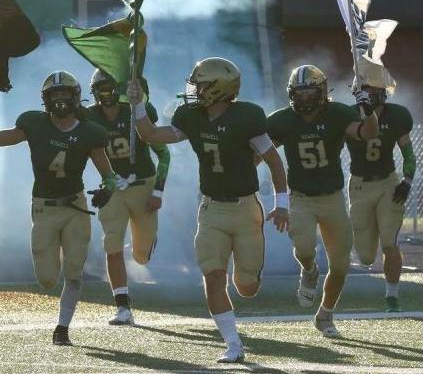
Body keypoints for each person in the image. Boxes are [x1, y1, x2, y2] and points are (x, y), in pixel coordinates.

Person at [127, 57, 289, 363]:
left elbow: (273, 160)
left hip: (245, 209)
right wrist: (137, 105)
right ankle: (233, 343)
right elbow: (150, 135)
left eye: (200, 85)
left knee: (247, 287)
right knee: (213, 275)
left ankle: (245, 286)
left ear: (218, 89)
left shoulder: (247, 116)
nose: (194, 90)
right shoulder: (191, 116)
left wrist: (282, 204)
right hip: (211, 208)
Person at [0, 71, 115, 345]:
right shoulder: (33, 123)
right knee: (48, 279)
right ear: (45, 100)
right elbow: (7, 138)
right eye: (55, 96)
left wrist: (107, 189)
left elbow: (108, 173)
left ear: (76, 98)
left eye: (65, 95)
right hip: (44, 209)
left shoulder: (90, 132)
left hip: (75, 206)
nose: (60, 101)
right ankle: (61, 318)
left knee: (74, 271)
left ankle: (62, 328)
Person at [267, 64, 379, 338]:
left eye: (309, 93)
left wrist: (368, 109)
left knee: (340, 265)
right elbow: (259, 151)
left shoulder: (338, 113)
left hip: (332, 198)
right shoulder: (281, 120)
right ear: (291, 94)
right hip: (301, 197)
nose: (304, 99)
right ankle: (309, 269)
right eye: (299, 93)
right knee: (304, 247)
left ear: (321, 92)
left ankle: (325, 315)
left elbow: (369, 133)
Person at [88, 69, 170, 325]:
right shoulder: (89, 117)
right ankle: (123, 308)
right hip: (114, 188)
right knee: (111, 245)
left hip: (143, 186)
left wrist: (158, 191)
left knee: (141, 256)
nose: (105, 94)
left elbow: (164, 154)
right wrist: (106, 182)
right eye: (100, 89)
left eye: (109, 88)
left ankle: (143, 243)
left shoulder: (136, 111)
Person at [346, 75, 415, 312]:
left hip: (388, 183)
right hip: (359, 185)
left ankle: (392, 297)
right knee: (365, 256)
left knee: (389, 243)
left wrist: (407, 180)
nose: (373, 93)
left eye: (376, 89)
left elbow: (408, 152)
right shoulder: (348, 115)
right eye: (367, 89)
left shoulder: (398, 115)